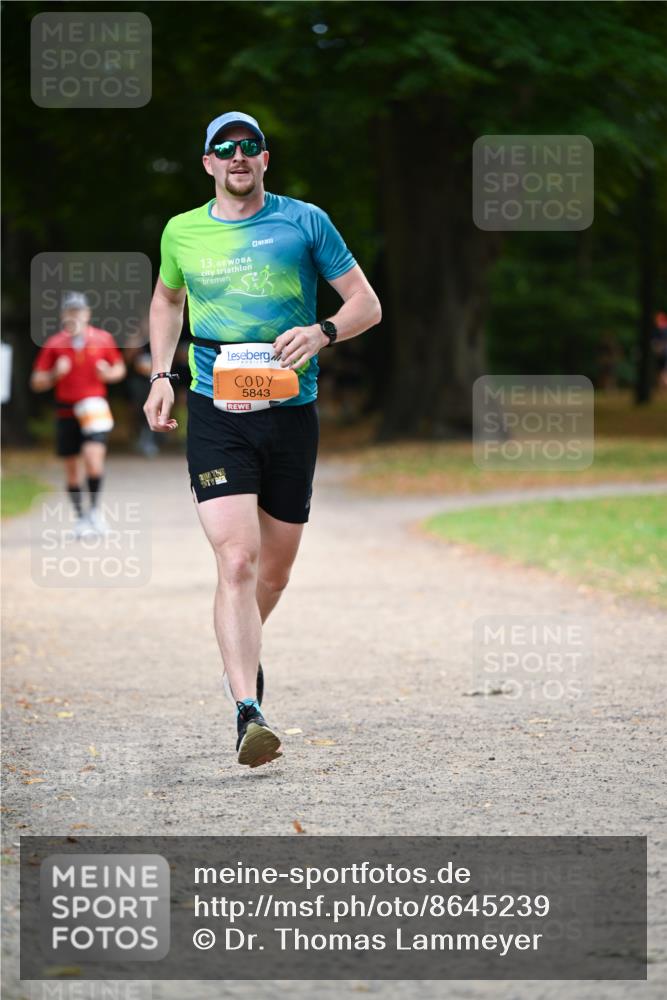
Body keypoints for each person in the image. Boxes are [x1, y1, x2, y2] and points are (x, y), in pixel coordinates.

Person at [144, 111, 381, 768]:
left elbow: (366, 303)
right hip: (215, 411)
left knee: (273, 571)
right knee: (238, 562)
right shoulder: (182, 231)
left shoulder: (305, 221)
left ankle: (239, 654)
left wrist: (324, 331)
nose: (238, 155)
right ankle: (247, 707)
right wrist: (162, 372)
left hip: (289, 413)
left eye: (249, 147)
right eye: (225, 147)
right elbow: (167, 301)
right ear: (208, 163)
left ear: (265, 160)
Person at [30, 291, 126, 535]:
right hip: (66, 410)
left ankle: (95, 511)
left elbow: (120, 369)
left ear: (87, 313)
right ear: (64, 315)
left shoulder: (103, 339)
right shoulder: (54, 344)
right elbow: (36, 381)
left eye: (79, 311)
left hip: (94, 408)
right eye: (70, 311)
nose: (75, 315)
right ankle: (81, 518)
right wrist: (55, 375)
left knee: (93, 460)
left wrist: (108, 373)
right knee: (72, 468)